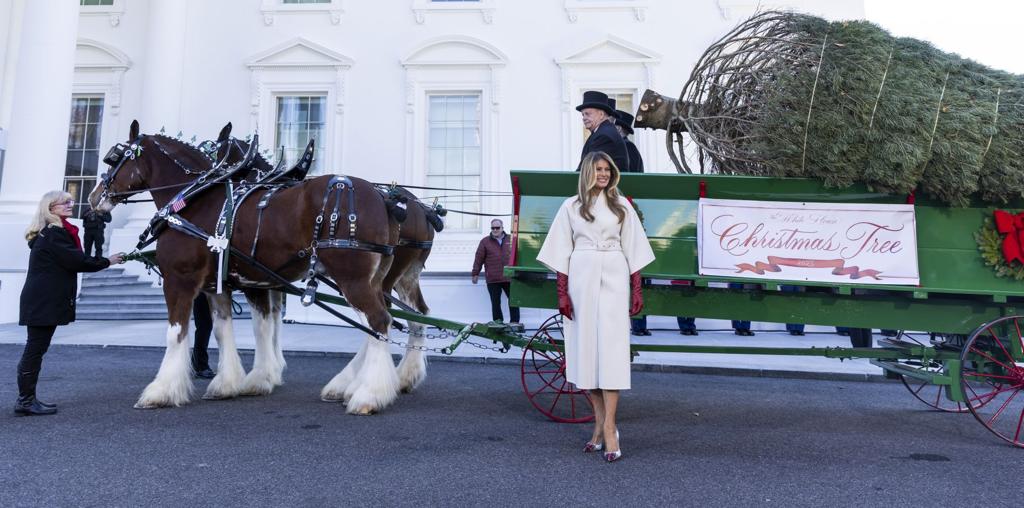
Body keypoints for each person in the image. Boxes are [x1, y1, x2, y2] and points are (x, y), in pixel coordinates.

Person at [537, 151, 655, 463]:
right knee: (585, 353)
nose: (603, 174)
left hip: (615, 275)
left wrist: (637, 289)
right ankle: (598, 426)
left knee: (612, 352)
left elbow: (635, 248)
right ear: (588, 172)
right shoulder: (571, 207)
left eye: (607, 169)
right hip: (581, 277)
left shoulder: (621, 205)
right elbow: (561, 252)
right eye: (598, 169)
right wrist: (562, 293)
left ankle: (611, 428)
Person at [16, 191, 123, 416]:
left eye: (70, 202)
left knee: (36, 348)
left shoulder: (51, 232)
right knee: (35, 349)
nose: (70, 205)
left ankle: (26, 399)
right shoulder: (54, 233)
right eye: (64, 203)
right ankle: (25, 401)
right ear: (50, 207)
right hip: (42, 300)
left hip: (42, 299)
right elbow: (77, 260)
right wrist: (108, 261)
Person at [471, 218, 520, 324]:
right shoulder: (485, 241)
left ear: (502, 228)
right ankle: (498, 323)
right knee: (495, 302)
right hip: (493, 278)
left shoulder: (511, 239)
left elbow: (518, 256)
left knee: (513, 301)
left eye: (497, 228)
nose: (495, 230)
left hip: (509, 277)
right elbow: (478, 258)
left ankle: (515, 322)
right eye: (493, 228)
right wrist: (475, 273)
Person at [575, 91, 629, 173]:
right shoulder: (601, 131)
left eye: (587, 114)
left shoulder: (604, 136)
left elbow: (589, 169)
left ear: (601, 114)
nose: (584, 118)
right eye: (583, 115)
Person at [192, 293, 216, 379]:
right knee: (204, 325)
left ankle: (196, 363)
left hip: (204, 289)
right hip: (200, 289)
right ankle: (200, 366)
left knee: (204, 325)